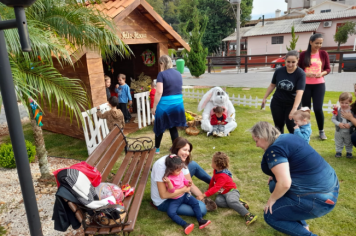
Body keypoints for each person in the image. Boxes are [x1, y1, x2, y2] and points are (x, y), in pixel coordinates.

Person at [250, 121, 339, 236]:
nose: (256, 145)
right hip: (331, 187)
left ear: (263, 136)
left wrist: (271, 200)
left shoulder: (274, 150)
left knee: (270, 215)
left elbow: (285, 183)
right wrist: (275, 174)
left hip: (319, 199)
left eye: (256, 140)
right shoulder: (287, 137)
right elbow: (296, 161)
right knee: (274, 185)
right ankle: (302, 224)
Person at [151, 137, 211, 219]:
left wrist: (203, 197)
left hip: (177, 189)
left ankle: (216, 183)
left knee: (193, 165)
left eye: (188, 150)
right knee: (202, 209)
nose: (187, 153)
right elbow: (163, 195)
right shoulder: (161, 166)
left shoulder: (180, 161)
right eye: (184, 150)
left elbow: (191, 185)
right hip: (164, 200)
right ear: (176, 149)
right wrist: (184, 190)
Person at [196, 152, 257, 226]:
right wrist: (209, 189)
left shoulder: (223, 176)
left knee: (230, 201)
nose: (211, 163)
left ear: (217, 164)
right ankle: (239, 203)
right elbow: (213, 180)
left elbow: (216, 188)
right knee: (218, 202)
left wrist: (203, 195)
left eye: (212, 162)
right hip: (222, 193)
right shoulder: (216, 171)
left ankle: (248, 215)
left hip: (231, 192)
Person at [162, 154, 211, 234]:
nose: (180, 171)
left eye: (181, 169)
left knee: (195, 203)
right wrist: (169, 182)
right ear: (171, 170)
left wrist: (188, 182)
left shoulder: (180, 173)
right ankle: (185, 224)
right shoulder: (169, 179)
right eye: (178, 170)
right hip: (175, 199)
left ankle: (200, 220)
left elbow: (184, 180)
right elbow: (171, 191)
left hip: (184, 195)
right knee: (171, 213)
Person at [262, 50, 306, 134]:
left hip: (292, 104)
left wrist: (294, 109)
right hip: (277, 102)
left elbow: (300, 92)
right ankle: (280, 144)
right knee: (278, 126)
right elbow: (272, 85)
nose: (290, 64)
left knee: (292, 127)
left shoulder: (300, 74)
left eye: (293, 62)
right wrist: (265, 97)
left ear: (298, 60)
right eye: (288, 61)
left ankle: (295, 145)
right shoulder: (279, 71)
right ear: (285, 60)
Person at [298, 34, 331, 140]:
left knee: (318, 108)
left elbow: (328, 69)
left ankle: (321, 131)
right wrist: (305, 74)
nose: (319, 45)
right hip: (306, 85)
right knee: (306, 109)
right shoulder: (303, 54)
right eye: (317, 43)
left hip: (319, 85)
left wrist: (322, 74)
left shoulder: (323, 53)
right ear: (310, 42)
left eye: (321, 43)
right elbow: (297, 68)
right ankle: (305, 130)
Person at [151, 55, 186, 154]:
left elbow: (159, 92)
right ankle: (176, 149)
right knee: (172, 126)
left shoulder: (161, 75)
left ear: (162, 63)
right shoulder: (178, 73)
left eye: (160, 64)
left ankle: (156, 148)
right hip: (178, 103)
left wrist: (154, 107)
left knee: (159, 125)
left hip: (165, 104)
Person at [332, 92, 354, 158]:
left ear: (350, 102)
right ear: (339, 101)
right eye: (342, 102)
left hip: (348, 130)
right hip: (339, 130)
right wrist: (338, 124)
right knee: (338, 141)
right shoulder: (337, 110)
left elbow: (354, 119)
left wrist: (350, 124)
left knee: (348, 142)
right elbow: (333, 119)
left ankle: (349, 152)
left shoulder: (352, 110)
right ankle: (338, 151)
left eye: (346, 103)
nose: (344, 104)